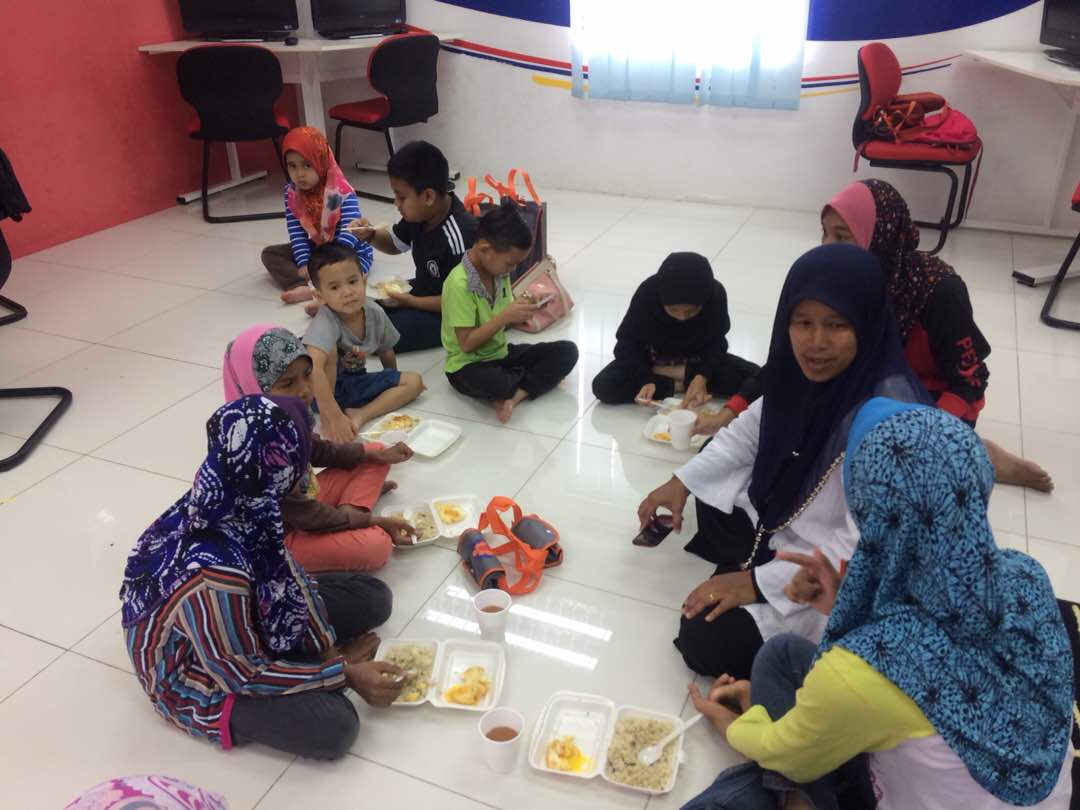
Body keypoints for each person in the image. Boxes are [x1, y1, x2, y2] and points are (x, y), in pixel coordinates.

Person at [683, 402, 1074, 810]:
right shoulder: (1027, 576)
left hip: (904, 783)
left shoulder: (869, 666)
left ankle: (796, 798)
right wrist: (842, 602)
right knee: (782, 655)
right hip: (1029, 793)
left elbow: (784, 748)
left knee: (724, 800)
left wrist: (735, 725)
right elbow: (943, 636)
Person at [637, 243, 930, 679]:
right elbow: (745, 434)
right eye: (802, 322)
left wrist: (755, 583)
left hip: (837, 571)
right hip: (787, 529)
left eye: (837, 325)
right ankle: (756, 556)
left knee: (704, 638)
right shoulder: (796, 376)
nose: (816, 343)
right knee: (710, 475)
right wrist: (680, 482)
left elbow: (867, 548)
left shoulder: (890, 425)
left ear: (867, 324)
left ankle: (759, 574)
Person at [120, 395, 409, 759]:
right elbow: (240, 674)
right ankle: (303, 668)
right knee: (337, 726)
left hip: (249, 616)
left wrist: (327, 652)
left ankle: (302, 663)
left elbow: (292, 579)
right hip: (205, 674)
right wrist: (342, 673)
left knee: (374, 597)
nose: (305, 474)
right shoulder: (213, 571)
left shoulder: (246, 496)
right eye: (299, 462)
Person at [821, 178, 1053, 492]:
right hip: (876, 385)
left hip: (932, 397)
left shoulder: (938, 291)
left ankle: (981, 456)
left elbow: (970, 380)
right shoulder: (846, 280)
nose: (826, 246)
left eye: (841, 236)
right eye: (824, 233)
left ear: (880, 235)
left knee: (893, 474)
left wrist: (929, 431)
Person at [223, 324, 416, 572]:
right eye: (288, 383)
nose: (305, 390)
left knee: (375, 451)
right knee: (378, 545)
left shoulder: (284, 416)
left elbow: (319, 451)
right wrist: (372, 521)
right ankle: (347, 518)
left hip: (306, 504)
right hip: (279, 539)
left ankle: (344, 517)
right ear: (253, 386)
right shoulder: (255, 444)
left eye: (307, 375)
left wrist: (373, 453)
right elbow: (303, 514)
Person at [441, 201, 579, 423]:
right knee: (499, 383)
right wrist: (505, 317)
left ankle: (517, 394)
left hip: (501, 353)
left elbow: (504, 319)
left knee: (567, 351)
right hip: (467, 365)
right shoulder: (459, 284)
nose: (513, 269)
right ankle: (531, 381)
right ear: (485, 249)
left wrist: (526, 308)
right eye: (510, 263)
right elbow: (466, 344)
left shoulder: (499, 273)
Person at [591, 251, 760, 424]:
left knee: (757, 378)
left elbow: (717, 343)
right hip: (654, 358)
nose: (682, 317)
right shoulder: (648, 293)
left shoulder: (715, 294)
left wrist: (702, 376)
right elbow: (626, 343)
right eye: (673, 310)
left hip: (696, 361)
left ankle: (684, 379)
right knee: (604, 385)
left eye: (691, 311)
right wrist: (645, 379)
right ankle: (680, 384)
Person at [348, 140, 477, 352]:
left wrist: (410, 302)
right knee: (361, 305)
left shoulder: (459, 237)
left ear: (428, 196)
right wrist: (370, 235)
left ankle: (346, 338)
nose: (396, 204)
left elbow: (464, 302)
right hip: (424, 290)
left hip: (452, 313)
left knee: (383, 333)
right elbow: (395, 244)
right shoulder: (420, 214)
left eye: (401, 197)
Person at [303, 242, 424, 444]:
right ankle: (331, 414)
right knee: (328, 351)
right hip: (320, 394)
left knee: (414, 382)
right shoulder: (326, 321)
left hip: (354, 384)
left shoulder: (375, 312)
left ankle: (360, 414)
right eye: (335, 287)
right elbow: (314, 369)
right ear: (320, 296)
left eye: (352, 281)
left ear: (364, 281)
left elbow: (387, 351)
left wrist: (391, 381)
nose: (347, 292)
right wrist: (333, 416)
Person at [260, 126, 374, 306]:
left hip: (345, 249)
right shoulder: (292, 193)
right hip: (318, 246)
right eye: (292, 166)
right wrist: (304, 263)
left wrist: (328, 260)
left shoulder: (341, 190)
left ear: (321, 161)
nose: (300, 174)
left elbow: (350, 232)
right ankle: (302, 286)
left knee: (353, 267)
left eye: (307, 165)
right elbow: (296, 233)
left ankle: (322, 289)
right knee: (270, 254)